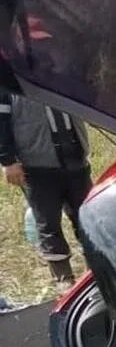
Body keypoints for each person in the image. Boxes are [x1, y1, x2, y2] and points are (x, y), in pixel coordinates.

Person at [0, 93, 91, 288]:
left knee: (86, 217)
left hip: (76, 160)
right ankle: (64, 280)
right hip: (38, 166)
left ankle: (96, 269)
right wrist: (7, 161)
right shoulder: (8, 81)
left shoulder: (57, 72)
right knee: (48, 224)